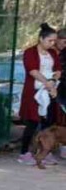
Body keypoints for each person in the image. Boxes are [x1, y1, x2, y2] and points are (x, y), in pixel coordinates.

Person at [17, 23, 61, 165]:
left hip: (49, 91)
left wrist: (53, 81)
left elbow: (58, 70)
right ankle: (24, 153)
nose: (53, 43)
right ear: (41, 39)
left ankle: (44, 152)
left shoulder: (53, 53)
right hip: (34, 92)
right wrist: (46, 81)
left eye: (54, 41)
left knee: (47, 123)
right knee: (32, 122)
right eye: (50, 40)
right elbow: (33, 70)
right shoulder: (30, 52)